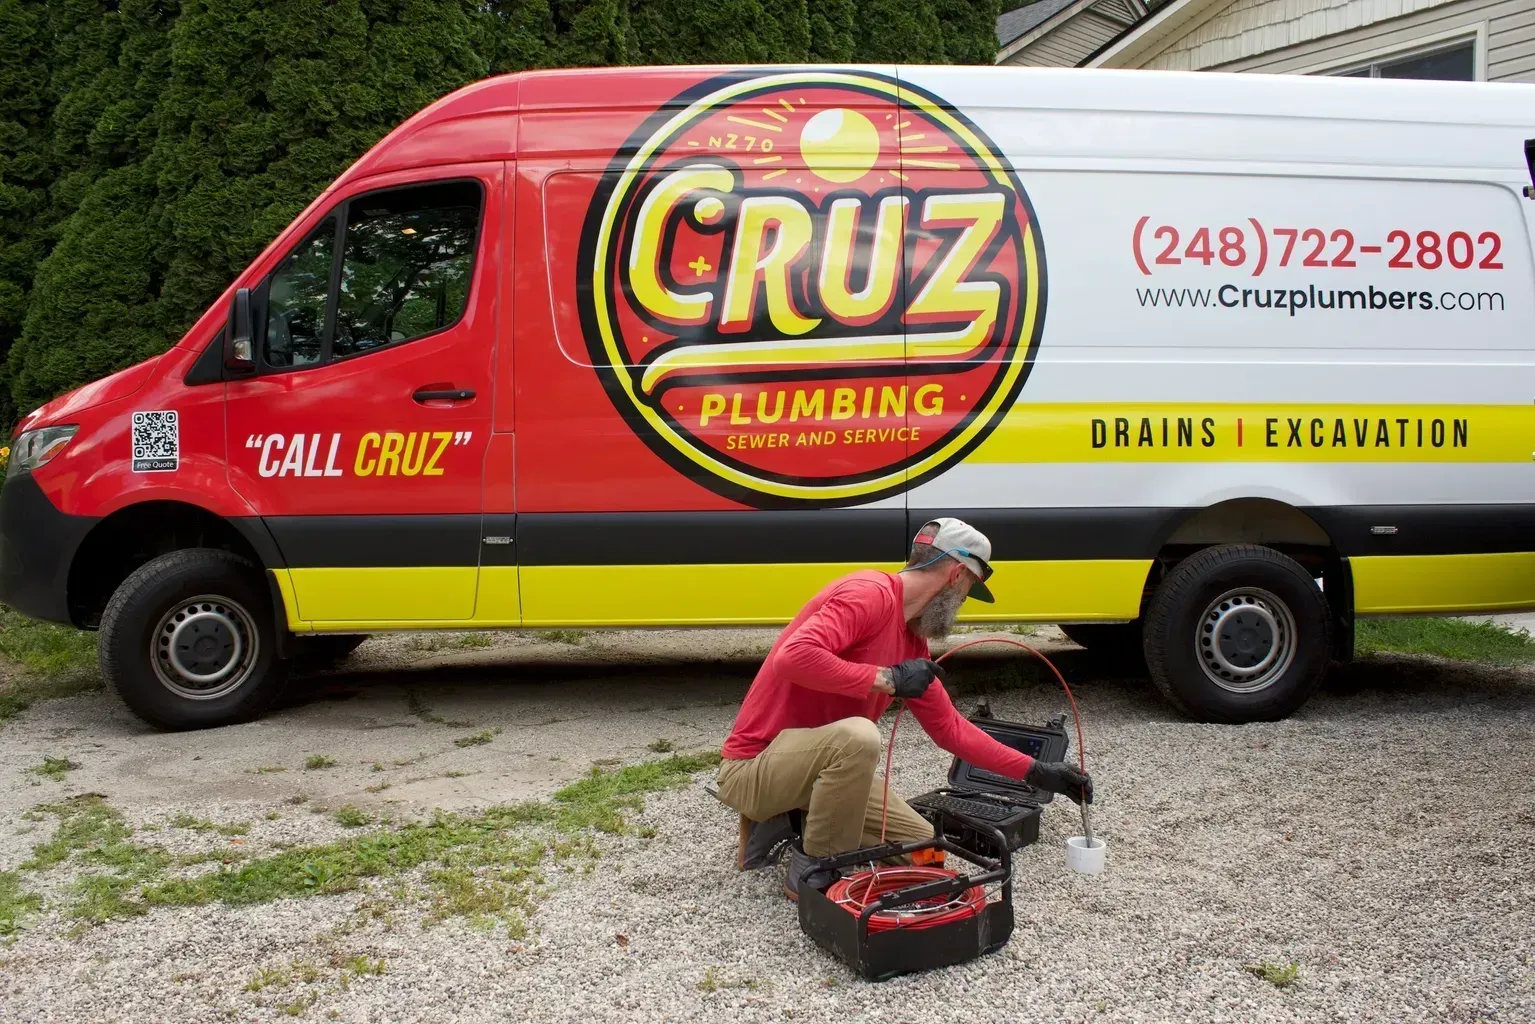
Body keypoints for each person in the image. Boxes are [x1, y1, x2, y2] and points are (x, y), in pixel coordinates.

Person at [717, 518, 1094, 900]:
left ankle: (787, 817)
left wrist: (1036, 772)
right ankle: (815, 869)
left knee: (921, 847)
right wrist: (888, 679)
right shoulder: (868, 594)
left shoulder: (913, 646)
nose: (963, 601)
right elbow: (792, 657)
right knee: (859, 738)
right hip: (753, 768)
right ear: (957, 574)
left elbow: (951, 730)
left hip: (818, 770)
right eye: (968, 589)